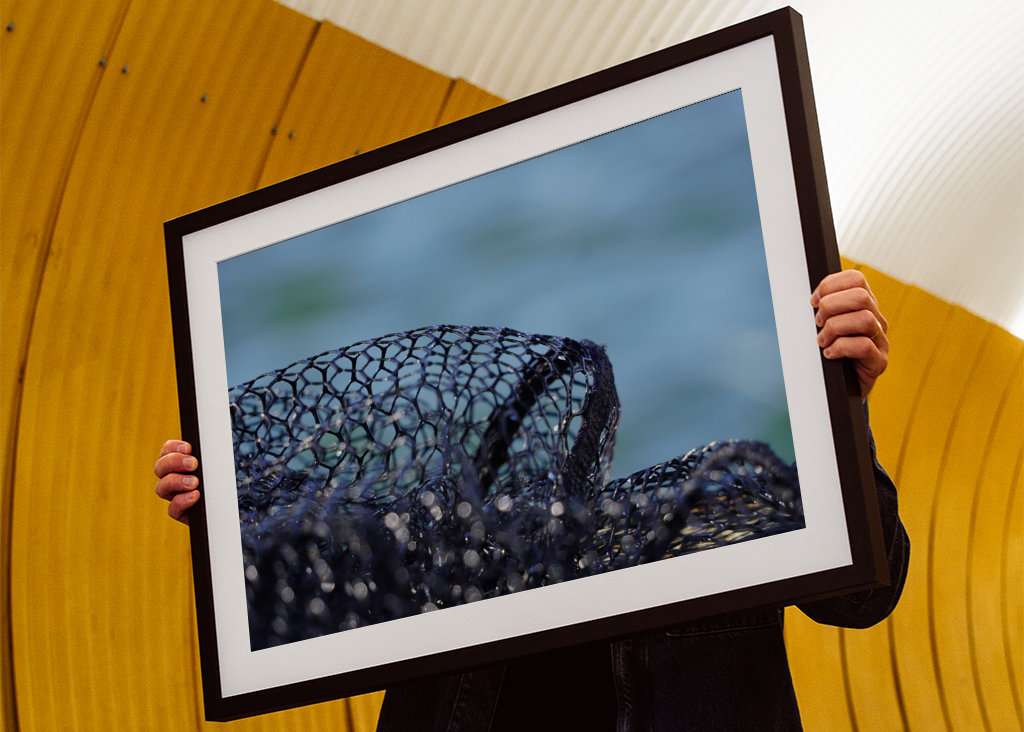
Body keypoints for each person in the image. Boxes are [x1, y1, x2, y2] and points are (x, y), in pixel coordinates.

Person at [154, 269, 908, 731]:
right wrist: (224, 508)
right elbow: (317, 571)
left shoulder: (724, 506)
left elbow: (865, 594)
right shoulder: (451, 534)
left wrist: (842, 406)